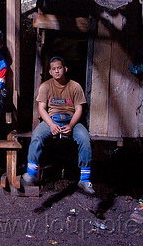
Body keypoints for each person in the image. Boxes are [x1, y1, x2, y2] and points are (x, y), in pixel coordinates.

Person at [22, 56, 95, 195]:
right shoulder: (45, 86)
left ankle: (84, 179)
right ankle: (31, 172)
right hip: (52, 119)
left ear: (65, 69)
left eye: (59, 68)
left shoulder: (75, 86)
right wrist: (50, 125)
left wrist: (72, 125)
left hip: (71, 120)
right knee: (37, 135)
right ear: (50, 72)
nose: (57, 71)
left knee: (85, 139)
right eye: (54, 69)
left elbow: (79, 109)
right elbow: (42, 109)